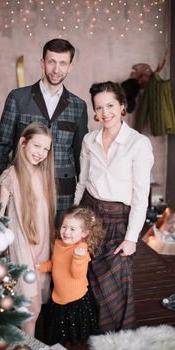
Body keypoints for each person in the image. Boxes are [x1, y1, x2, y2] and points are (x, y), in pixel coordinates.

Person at [74, 81, 154, 333]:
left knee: (117, 283)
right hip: (89, 215)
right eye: (99, 107)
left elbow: (141, 196)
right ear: (95, 112)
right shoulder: (89, 140)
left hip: (119, 218)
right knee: (86, 276)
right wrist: (75, 218)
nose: (105, 112)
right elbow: (83, 181)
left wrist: (132, 239)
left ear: (122, 107)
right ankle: (93, 334)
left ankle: (117, 340)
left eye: (110, 105)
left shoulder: (138, 144)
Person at [0, 38, 88, 227]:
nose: (56, 69)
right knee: (26, 248)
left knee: (59, 248)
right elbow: (2, 145)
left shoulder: (78, 106)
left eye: (62, 63)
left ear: (70, 67)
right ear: (42, 63)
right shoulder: (17, 98)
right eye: (51, 62)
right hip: (22, 186)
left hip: (63, 191)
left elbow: (80, 155)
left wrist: (82, 197)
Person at [0, 122, 56, 336]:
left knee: (37, 305)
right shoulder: (10, 175)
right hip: (20, 247)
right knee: (29, 308)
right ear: (23, 143)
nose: (40, 153)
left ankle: (25, 342)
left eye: (45, 149)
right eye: (36, 146)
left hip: (41, 248)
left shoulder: (43, 175)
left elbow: (44, 218)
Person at [37, 206, 102, 346]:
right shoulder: (59, 244)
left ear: (84, 233)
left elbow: (76, 274)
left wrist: (78, 258)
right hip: (58, 296)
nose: (66, 232)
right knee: (59, 331)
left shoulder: (81, 250)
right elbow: (56, 265)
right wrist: (41, 267)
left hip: (76, 300)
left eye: (72, 229)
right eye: (64, 226)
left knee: (76, 333)